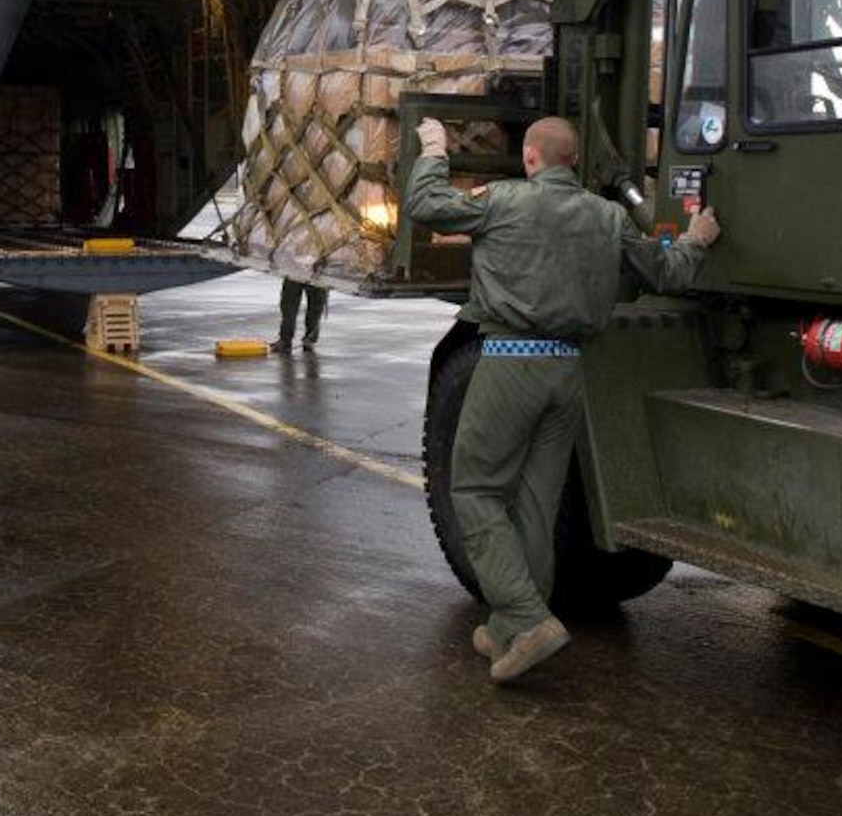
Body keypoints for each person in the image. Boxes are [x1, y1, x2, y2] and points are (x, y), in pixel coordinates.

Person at [406, 115, 720, 684]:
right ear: (573, 162)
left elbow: (426, 206)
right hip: (568, 370)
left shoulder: (504, 201)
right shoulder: (609, 216)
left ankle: (527, 620)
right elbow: (666, 272)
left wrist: (433, 149)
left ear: (530, 158)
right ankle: (508, 626)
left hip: (509, 364)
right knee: (534, 503)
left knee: (475, 490)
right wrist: (697, 239)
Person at [270, 277, 328, 353]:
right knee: (288, 305)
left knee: (315, 306)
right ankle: (285, 340)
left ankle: (309, 339)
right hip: (296, 269)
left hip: (318, 273)